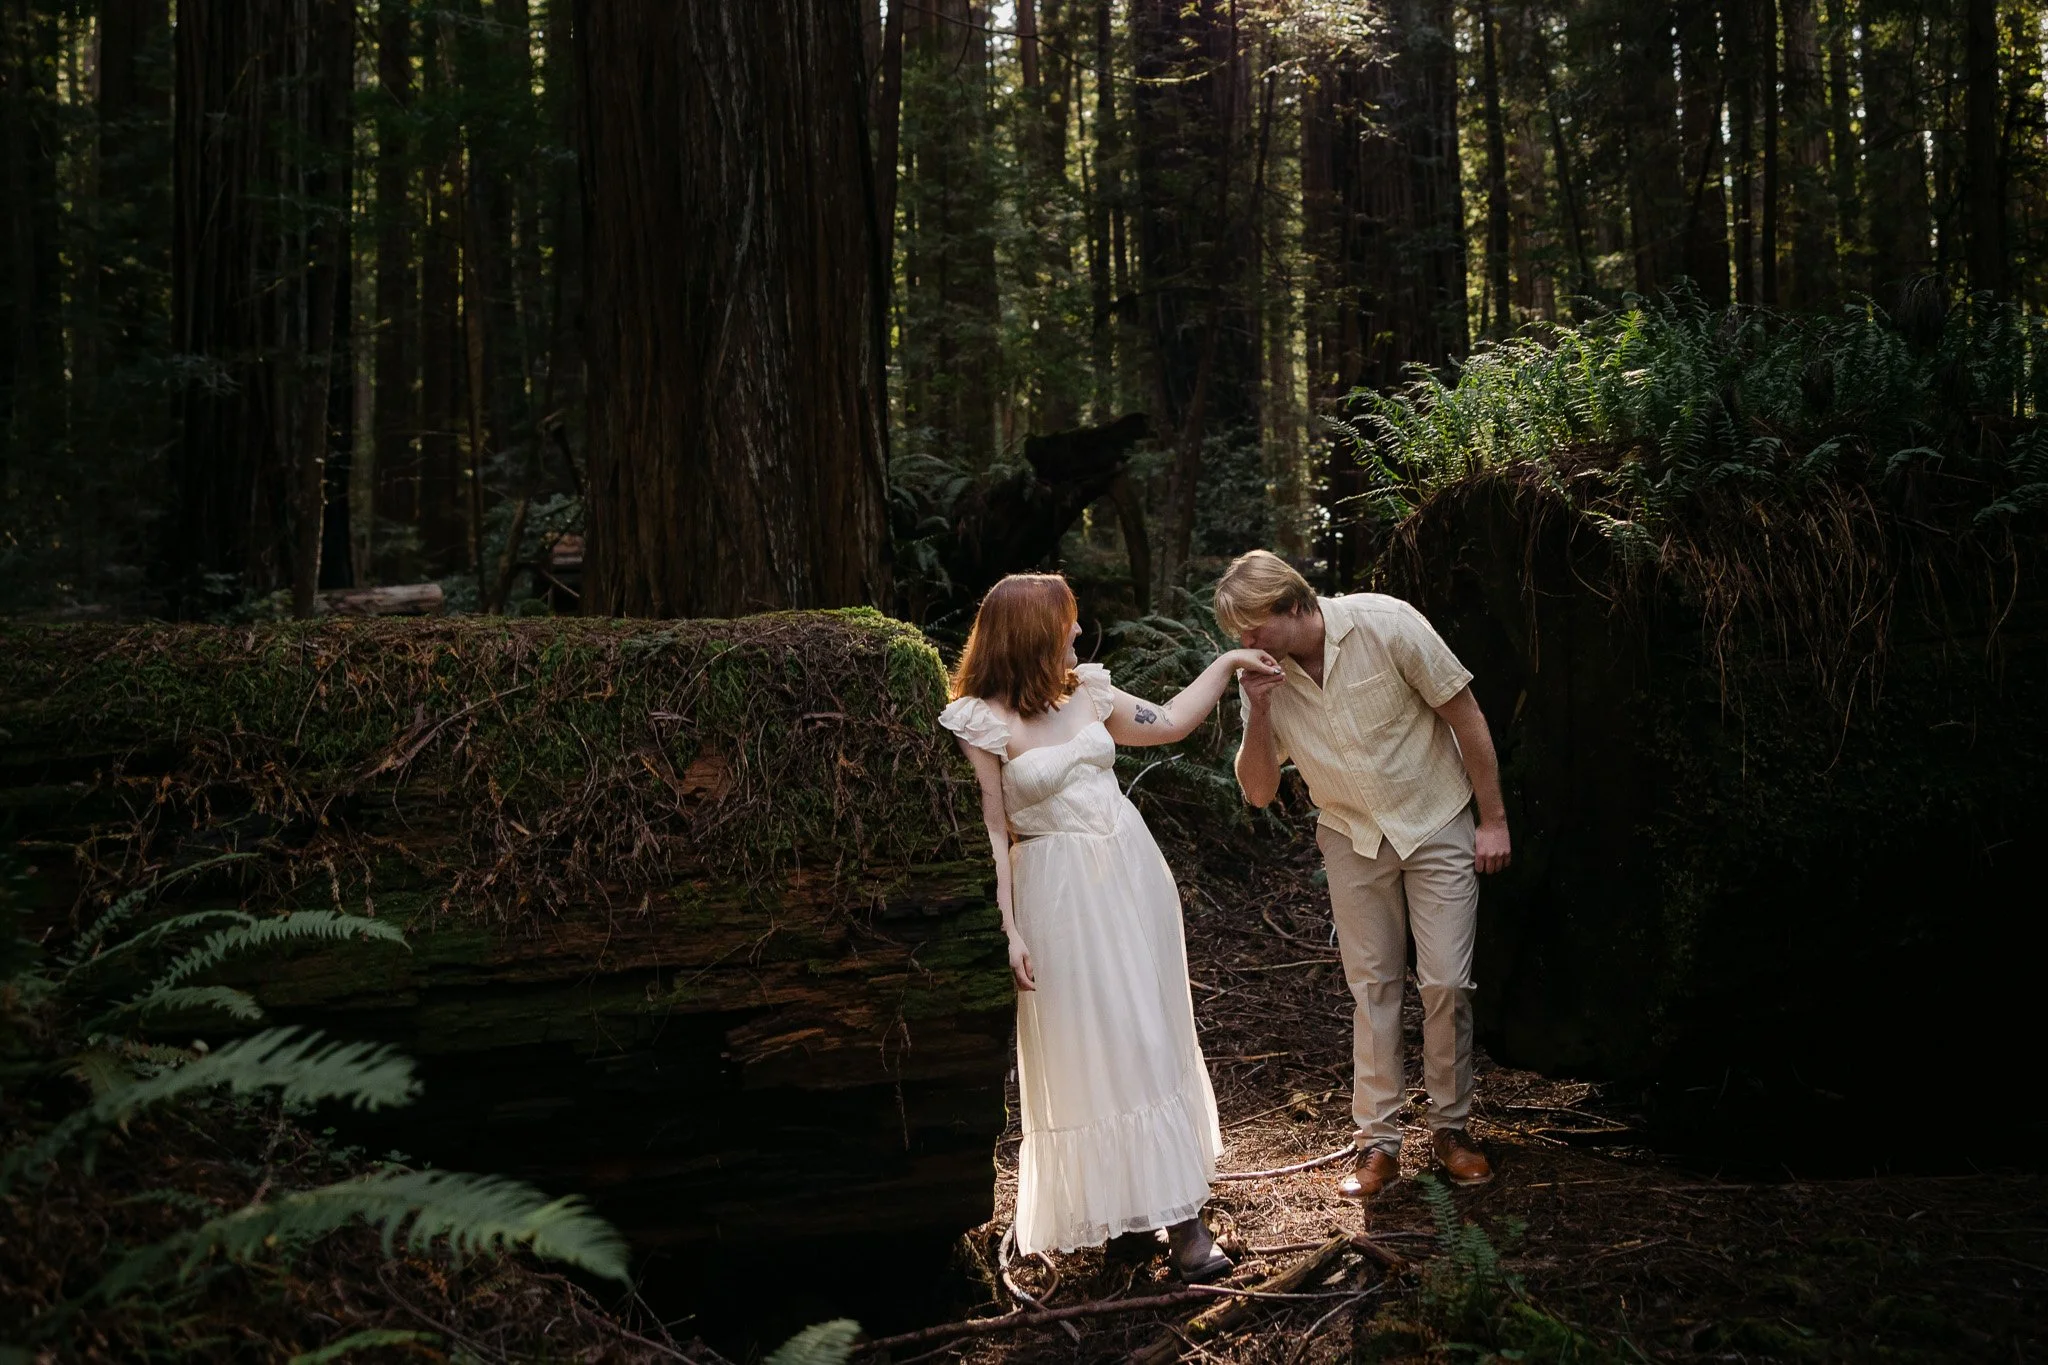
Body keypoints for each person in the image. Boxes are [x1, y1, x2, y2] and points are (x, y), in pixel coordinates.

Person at [938, 573, 1281, 1278]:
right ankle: (1144, 1221)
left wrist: (1226, 664)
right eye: (1065, 621)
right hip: (1059, 898)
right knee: (1098, 1045)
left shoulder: (1086, 692)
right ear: (1031, 632)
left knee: (1148, 1031)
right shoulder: (981, 720)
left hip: (1129, 876)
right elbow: (994, 832)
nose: (1077, 630)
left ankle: (1174, 1220)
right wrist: (1009, 928)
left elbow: (1173, 721)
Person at [1215, 550, 1511, 1200]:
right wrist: (1259, 711)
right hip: (1352, 836)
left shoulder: (1386, 623)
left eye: (1253, 625)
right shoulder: (1266, 677)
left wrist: (1493, 818)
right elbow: (1259, 791)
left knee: (1446, 983)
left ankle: (1451, 1130)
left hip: (1437, 818)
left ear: (1293, 605)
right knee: (1373, 989)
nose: (1245, 642)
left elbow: (1465, 714)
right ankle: (1377, 1144)